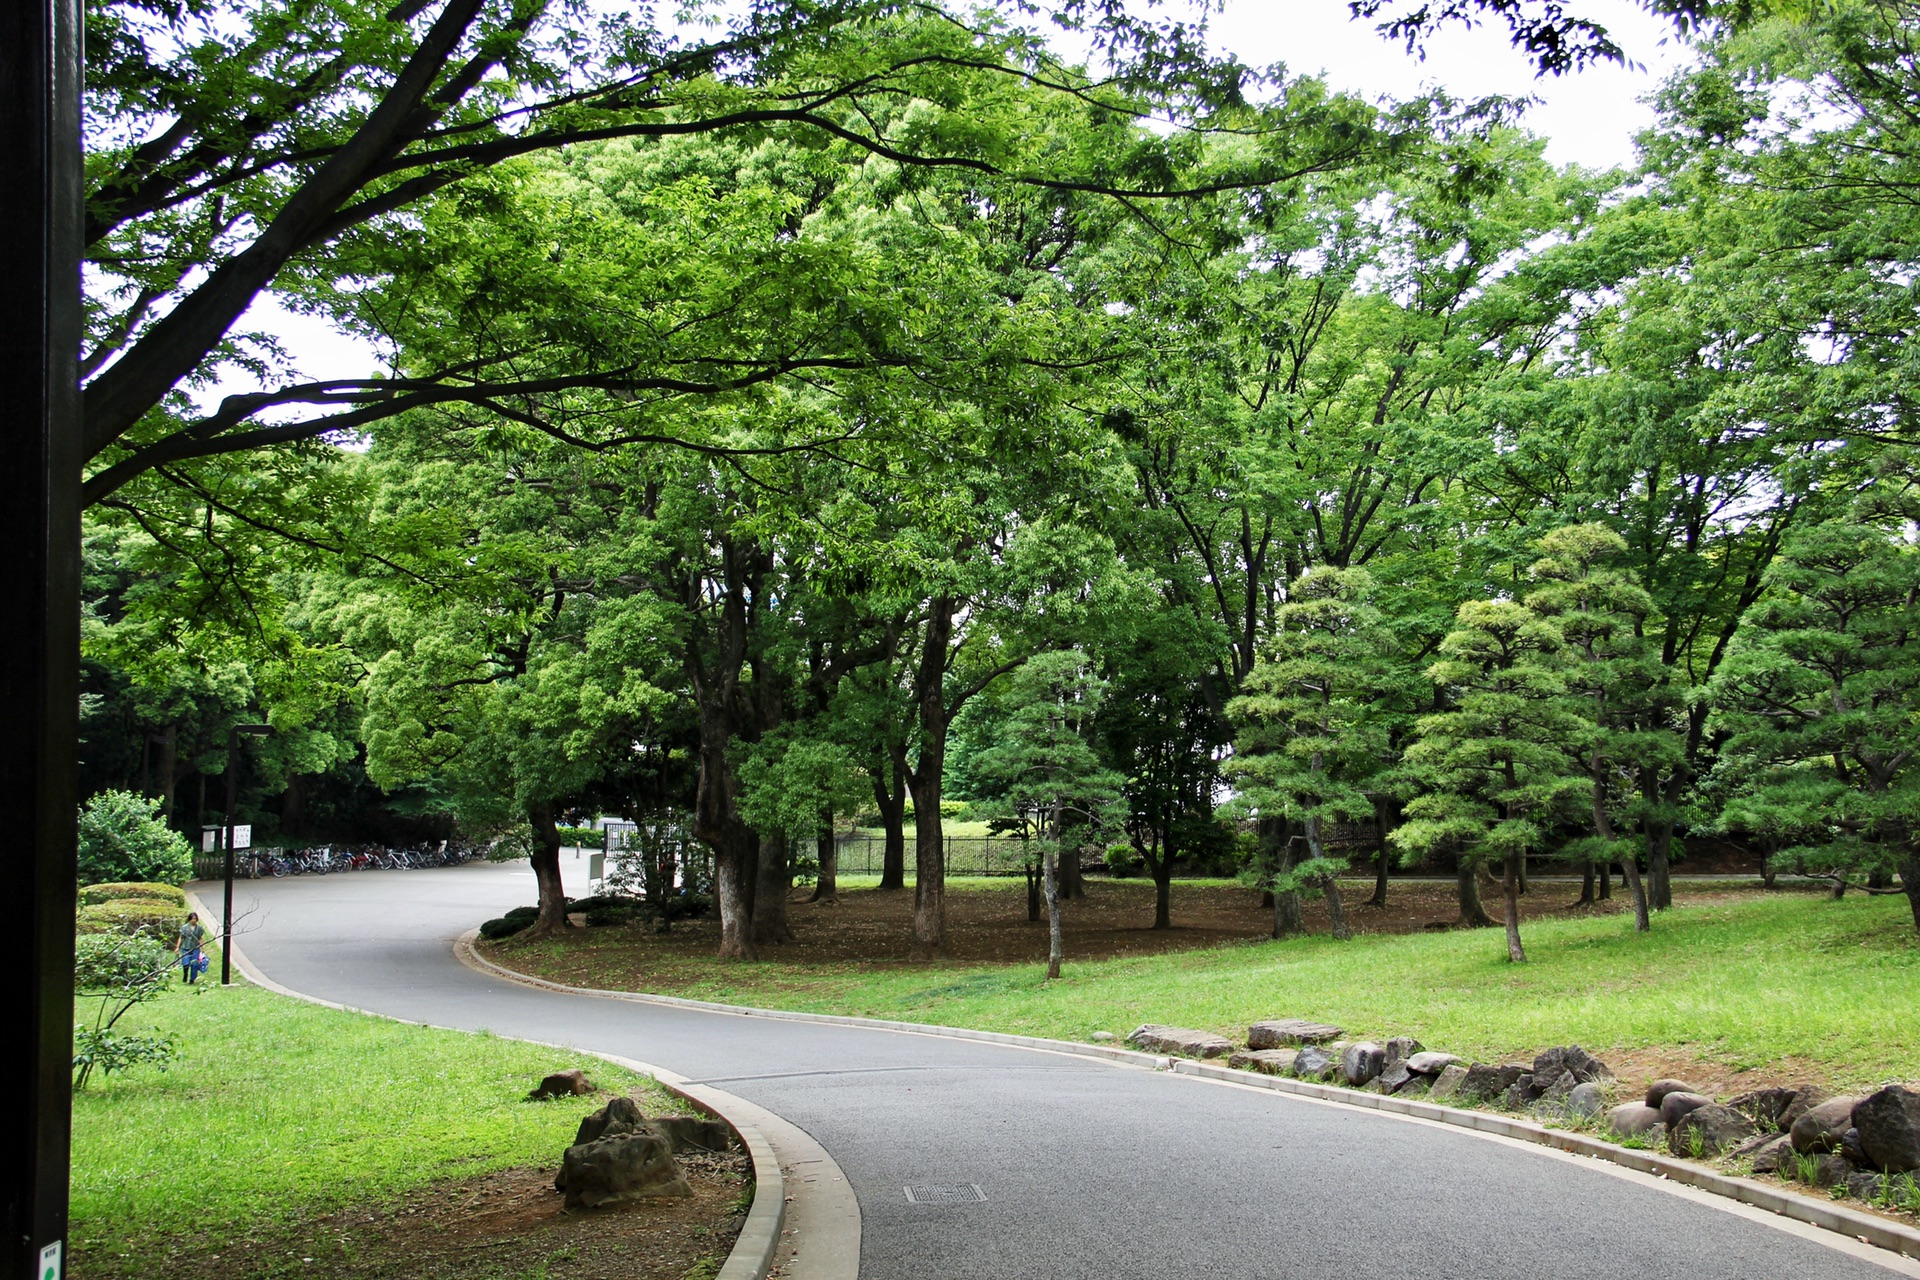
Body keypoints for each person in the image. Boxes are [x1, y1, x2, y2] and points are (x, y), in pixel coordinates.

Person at [176, 911, 209, 984]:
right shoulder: (184, 928)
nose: (194, 920)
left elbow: (200, 938)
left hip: (195, 948)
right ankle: (185, 975)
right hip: (185, 947)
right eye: (193, 919)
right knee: (186, 963)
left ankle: (192, 979)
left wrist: (202, 948)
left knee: (194, 964)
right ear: (189, 919)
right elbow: (181, 937)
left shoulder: (199, 928)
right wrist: (178, 947)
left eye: (195, 919)